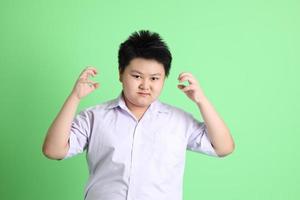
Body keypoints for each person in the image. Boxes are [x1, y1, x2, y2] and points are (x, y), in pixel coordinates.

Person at [42, 30, 235, 200]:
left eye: (154, 78)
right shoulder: (95, 117)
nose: (145, 85)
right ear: (120, 73)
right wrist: (74, 97)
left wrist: (201, 100)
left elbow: (223, 147)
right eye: (136, 76)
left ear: (164, 78)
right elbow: (53, 150)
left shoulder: (179, 121)